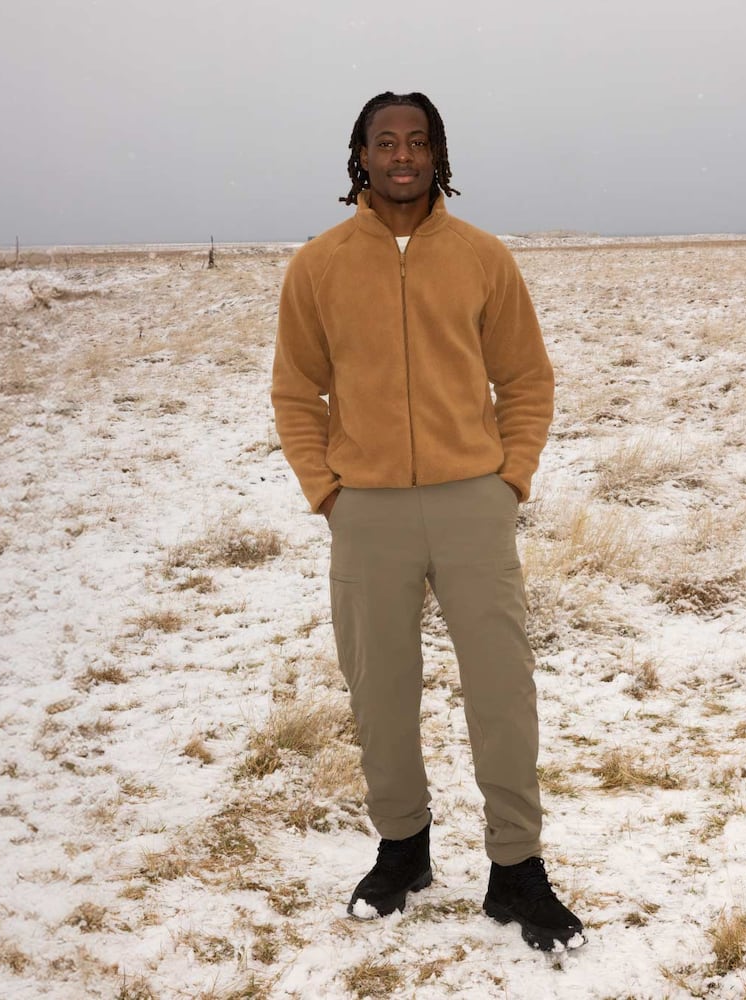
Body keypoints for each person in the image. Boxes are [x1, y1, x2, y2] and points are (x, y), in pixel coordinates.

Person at [269, 91, 585, 952]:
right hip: (365, 511)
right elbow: (297, 389)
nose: (401, 154)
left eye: (418, 141)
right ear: (360, 156)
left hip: (472, 505)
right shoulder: (319, 265)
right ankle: (403, 849)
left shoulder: (483, 259)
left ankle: (517, 871)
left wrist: (509, 479)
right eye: (385, 141)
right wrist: (327, 491)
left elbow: (526, 379)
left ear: (438, 155)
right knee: (379, 693)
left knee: (502, 691)